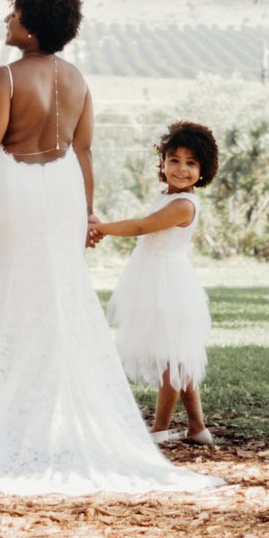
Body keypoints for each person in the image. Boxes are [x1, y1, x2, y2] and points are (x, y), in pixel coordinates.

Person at [0, 0, 219, 497]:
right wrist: (88, 213)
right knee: (61, 298)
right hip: (62, 194)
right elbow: (83, 154)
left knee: (15, 298)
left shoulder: (5, 78)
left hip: (15, 188)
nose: (7, 22)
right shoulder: (78, 80)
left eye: (14, 15)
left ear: (31, 27)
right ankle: (51, 421)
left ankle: (22, 423)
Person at [93, 121, 218, 444]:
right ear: (162, 163)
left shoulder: (182, 204)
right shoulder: (167, 196)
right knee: (178, 356)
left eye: (191, 163)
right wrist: (102, 224)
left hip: (168, 284)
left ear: (203, 171)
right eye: (174, 160)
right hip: (153, 277)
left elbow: (141, 227)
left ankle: (160, 429)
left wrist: (102, 228)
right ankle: (197, 427)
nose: (181, 169)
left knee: (171, 358)